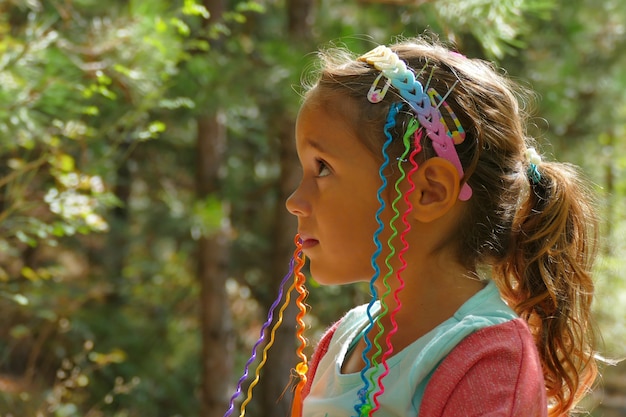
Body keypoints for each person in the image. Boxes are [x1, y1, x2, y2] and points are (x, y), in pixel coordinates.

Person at [285, 36, 599, 417]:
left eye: (322, 168)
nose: (294, 202)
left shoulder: (488, 361)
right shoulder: (343, 341)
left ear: (428, 191)